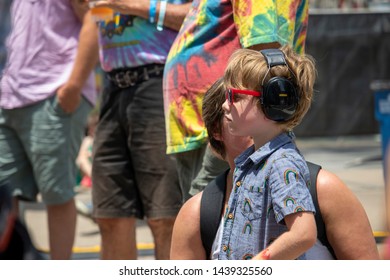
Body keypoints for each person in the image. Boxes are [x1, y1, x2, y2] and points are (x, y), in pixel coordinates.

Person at [171, 77, 380, 260]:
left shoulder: (324, 190)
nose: (265, 111)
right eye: (233, 101)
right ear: (216, 130)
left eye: (265, 104)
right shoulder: (196, 214)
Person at [163, 0, 309, 201]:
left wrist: (235, 129)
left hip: (227, 127)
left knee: (207, 214)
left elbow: (265, 58)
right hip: (215, 124)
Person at [85, 0, 192, 260]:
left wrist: (131, 5)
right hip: (112, 87)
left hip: (159, 82)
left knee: (166, 216)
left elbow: (203, 15)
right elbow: (90, 16)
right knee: (111, 214)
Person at [0, 0, 99, 259]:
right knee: (6, 194)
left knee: (57, 195)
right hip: (9, 96)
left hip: (53, 94)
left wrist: (73, 86)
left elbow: (94, 18)